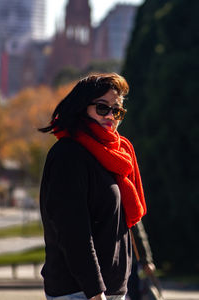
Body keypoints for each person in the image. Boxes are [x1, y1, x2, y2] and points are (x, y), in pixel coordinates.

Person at [39, 73, 147, 300]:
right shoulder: (69, 155)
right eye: (102, 107)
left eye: (116, 110)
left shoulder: (113, 156)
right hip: (80, 292)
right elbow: (73, 232)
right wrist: (96, 292)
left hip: (113, 290)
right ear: (82, 107)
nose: (110, 116)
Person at [127, 221, 156, 300]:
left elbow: (138, 234)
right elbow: (139, 234)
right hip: (128, 262)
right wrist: (147, 261)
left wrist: (147, 261)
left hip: (128, 262)